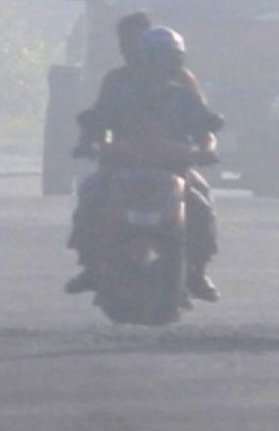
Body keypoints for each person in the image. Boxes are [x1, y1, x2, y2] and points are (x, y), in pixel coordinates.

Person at [66, 18, 222, 302]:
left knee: (202, 204)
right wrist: (90, 142)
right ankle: (90, 264)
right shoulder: (118, 86)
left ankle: (197, 270)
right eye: (154, 59)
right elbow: (97, 119)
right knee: (90, 194)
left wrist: (206, 149)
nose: (160, 67)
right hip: (122, 165)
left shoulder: (183, 91)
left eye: (169, 60)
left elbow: (204, 126)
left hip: (174, 167)